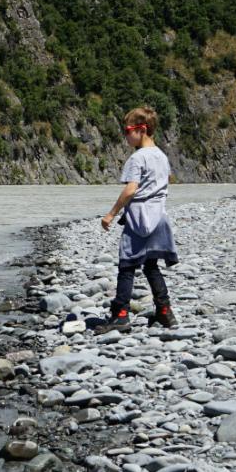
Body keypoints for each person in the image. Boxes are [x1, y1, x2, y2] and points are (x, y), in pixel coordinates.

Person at [94, 107, 179, 333]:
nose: (125, 136)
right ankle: (165, 312)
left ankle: (120, 315)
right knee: (151, 265)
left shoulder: (137, 158)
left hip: (139, 218)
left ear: (141, 130)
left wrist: (111, 214)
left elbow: (131, 190)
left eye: (127, 131)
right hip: (159, 217)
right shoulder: (162, 156)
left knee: (127, 265)